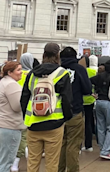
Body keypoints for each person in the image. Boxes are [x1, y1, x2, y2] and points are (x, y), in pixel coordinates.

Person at [20, 43, 73, 172]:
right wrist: (66, 117)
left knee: (32, 162)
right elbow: (67, 100)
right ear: (57, 56)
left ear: (43, 55)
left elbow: (24, 98)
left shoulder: (32, 74)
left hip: (33, 123)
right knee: (52, 163)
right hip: (54, 122)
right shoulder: (62, 73)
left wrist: (26, 117)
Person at [0, 61, 25, 172]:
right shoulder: (11, 84)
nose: (21, 72)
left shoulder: (3, 82)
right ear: (9, 72)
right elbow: (17, 106)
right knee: (5, 163)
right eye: (18, 69)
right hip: (8, 127)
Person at [58, 47, 92, 172]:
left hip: (58, 112)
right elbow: (88, 89)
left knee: (61, 145)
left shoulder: (57, 69)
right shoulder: (79, 69)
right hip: (75, 110)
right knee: (73, 146)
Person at [12, 53, 35, 172]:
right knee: (25, 136)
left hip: (14, 108)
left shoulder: (16, 74)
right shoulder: (33, 75)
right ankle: (16, 161)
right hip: (29, 110)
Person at [91, 59, 110, 160]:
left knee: (100, 126)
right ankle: (106, 150)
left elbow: (89, 81)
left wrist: (92, 92)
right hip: (109, 102)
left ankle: (102, 148)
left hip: (99, 101)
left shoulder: (99, 76)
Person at [82, 55, 98, 152]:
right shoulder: (93, 72)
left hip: (81, 99)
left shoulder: (81, 71)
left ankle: (78, 146)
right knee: (89, 122)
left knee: (79, 124)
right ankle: (89, 145)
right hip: (91, 99)